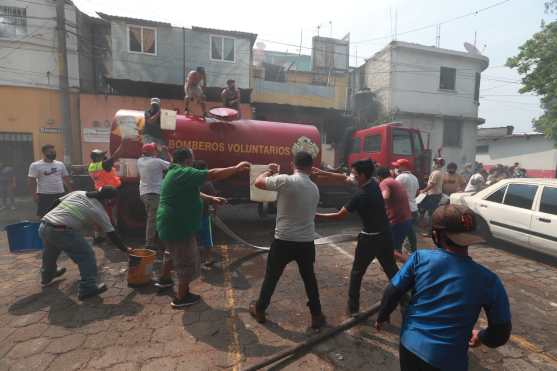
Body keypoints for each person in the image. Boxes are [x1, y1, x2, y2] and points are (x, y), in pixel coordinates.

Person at [374, 204, 512, 371]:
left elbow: (393, 291)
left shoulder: (419, 258)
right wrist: (482, 336)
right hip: (449, 361)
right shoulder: (489, 280)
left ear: (435, 235)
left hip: (410, 346)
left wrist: (382, 315)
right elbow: (500, 333)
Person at [156, 148, 250, 308]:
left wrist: (211, 198)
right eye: (192, 159)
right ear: (186, 160)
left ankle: (164, 280)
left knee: (171, 253)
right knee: (186, 261)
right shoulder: (182, 172)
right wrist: (236, 168)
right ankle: (181, 297)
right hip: (179, 226)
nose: (193, 161)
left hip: (170, 224)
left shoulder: (175, 172)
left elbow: (194, 192)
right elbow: (212, 174)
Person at [249, 152, 326, 329]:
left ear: (293, 164)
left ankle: (260, 309)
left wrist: (269, 171)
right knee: (309, 278)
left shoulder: (286, 180)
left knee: (272, 277)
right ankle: (316, 315)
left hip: (284, 240)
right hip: (306, 242)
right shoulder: (314, 188)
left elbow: (258, 182)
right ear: (310, 166)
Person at [314, 160, 399, 317]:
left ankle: (353, 309)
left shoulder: (360, 195)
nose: (352, 176)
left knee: (356, 273)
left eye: (354, 173)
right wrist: (324, 173)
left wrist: (316, 215)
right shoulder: (373, 183)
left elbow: (339, 216)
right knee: (392, 270)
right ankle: (406, 299)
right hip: (385, 235)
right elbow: (344, 178)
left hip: (370, 239)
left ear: (362, 175)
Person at [39, 186, 132, 300]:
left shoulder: (79, 192)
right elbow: (112, 234)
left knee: (51, 250)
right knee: (86, 256)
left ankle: (47, 275)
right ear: (109, 200)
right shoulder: (98, 210)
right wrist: (125, 249)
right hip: (62, 230)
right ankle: (87, 288)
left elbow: (56, 201)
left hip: (44, 225)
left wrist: (51, 217)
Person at [137, 143, 172, 252]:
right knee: (153, 219)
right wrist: (167, 153)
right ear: (152, 152)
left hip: (144, 193)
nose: (157, 151)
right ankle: (149, 244)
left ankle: (155, 241)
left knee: (154, 217)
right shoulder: (157, 161)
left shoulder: (139, 161)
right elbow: (173, 166)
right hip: (154, 193)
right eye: (155, 150)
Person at [375, 167, 412, 263]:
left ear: (379, 177)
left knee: (390, 248)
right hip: (406, 219)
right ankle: (394, 267)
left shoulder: (384, 183)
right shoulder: (394, 181)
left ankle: (413, 266)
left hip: (397, 220)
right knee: (396, 247)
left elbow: (385, 196)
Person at [28, 144, 72, 218]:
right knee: (43, 216)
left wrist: (71, 191)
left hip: (60, 194)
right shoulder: (35, 165)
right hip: (44, 195)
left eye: (54, 152)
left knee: (60, 215)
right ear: (44, 153)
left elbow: (66, 178)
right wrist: (34, 196)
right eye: (50, 152)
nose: (53, 154)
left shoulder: (60, 164)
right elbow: (31, 182)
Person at [193, 160, 217, 267]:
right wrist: (214, 211)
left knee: (191, 238)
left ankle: (191, 258)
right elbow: (214, 199)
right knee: (207, 238)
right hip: (204, 215)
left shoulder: (190, 181)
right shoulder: (207, 183)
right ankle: (209, 258)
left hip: (191, 216)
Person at [393, 159, 420, 253]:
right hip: (413, 208)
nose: (396, 168)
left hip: (403, 209)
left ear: (404, 167)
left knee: (399, 232)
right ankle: (413, 251)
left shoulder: (401, 177)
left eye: (398, 166)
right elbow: (417, 193)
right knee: (410, 232)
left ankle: (397, 252)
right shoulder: (414, 177)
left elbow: (393, 191)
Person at [418, 157, 445, 236]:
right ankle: (427, 228)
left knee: (431, 214)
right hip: (436, 195)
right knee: (427, 211)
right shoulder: (440, 172)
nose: (433, 164)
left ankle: (430, 232)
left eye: (435, 162)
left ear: (438, 164)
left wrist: (423, 190)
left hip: (433, 195)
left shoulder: (436, 173)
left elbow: (432, 185)